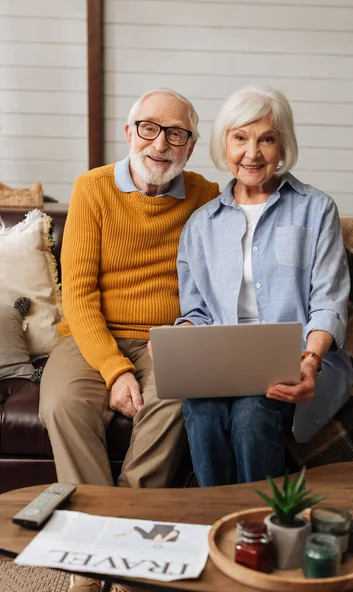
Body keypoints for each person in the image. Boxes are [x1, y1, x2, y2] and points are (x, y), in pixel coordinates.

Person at [39, 88, 219, 592]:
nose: (161, 143)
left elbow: (218, 283)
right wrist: (115, 368)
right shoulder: (92, 188)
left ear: (190, 145)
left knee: (179, 398)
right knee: (62, 404)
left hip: (170, 336)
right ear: (129, 132)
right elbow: (77, 292)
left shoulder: (207, 195)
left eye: (177, 133)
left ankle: (121, 538)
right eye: (149, 128)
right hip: (92, 334)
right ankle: (97, 550)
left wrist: (186, 328)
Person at [175, 85, 353, 487]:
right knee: (200, 412)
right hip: (223, 362)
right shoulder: (201, 224)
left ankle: (261, 527)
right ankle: (215, 521)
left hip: (298, 357)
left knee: (253, 413)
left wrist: (310, 361)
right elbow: (197, 312)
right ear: (225, 143)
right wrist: (182, 339)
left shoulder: (317, 209)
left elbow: (328, 301)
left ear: (282, 144)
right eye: (240, 138)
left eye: (266, 139)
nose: (252, 154)